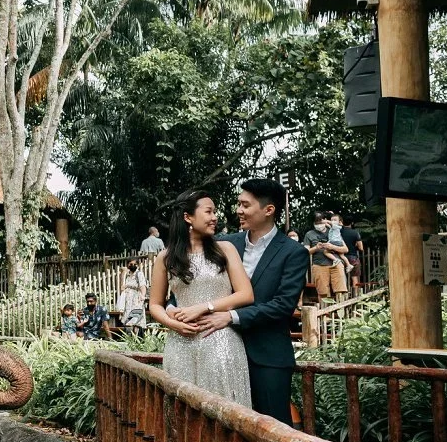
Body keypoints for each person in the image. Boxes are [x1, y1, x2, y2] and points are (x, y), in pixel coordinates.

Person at [192, 178, 310, 425]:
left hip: (268, 358)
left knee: (273, 431)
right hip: (220, 352)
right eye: (238, 203)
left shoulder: (293, 252)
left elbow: (283, 305)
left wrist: (231, 316)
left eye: (245, 205)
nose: (238, 210)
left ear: (269, 210)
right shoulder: (224, 244)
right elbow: (195, 281)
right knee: (223, 426)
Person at [150, 190, 255, 405]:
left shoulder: (225, 249)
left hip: (220, 340)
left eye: (215, 211)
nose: (215, 217)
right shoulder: (166, 258)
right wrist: (172, 324)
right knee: (182, 411)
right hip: (180, 343)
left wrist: (204, 307)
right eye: (209, 211)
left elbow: (246, 294)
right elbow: (155, 304)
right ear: (188, 217)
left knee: (225, 409)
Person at [302, 211, 348, 301]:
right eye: (316, 222)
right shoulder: (309, 234)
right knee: (323, 293)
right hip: (319, 265)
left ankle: (341, 312)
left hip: (336, 263)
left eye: (320, 221)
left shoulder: (333, 230)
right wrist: (316, 247)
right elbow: (305, 252)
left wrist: (332, 247)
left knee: (340, 290)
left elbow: (345, 249)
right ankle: (325, 314)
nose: (319, 224)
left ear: (325, 220)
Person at [116, 258, 148, 334]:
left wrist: (143, 296)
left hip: (136, 299)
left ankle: (136, 338)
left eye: (134, 264)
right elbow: (122, 286)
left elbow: (142, 286)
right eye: (130, 264)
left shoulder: (139, 274)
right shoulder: (127, 275)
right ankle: (130, 338)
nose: (132, 265)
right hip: (128, 300)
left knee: (136, 319)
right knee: (128, 319)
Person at [336, 213, 365, 289]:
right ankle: (355, 296)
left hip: (340, 256)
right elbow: (361, 248)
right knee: (355, 278)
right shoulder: (355, 233)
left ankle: (342, 297)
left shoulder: (339, 231)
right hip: (353, 257)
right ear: (352, 223)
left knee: (341, 278)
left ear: (342, 222)